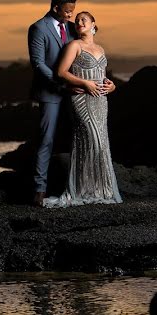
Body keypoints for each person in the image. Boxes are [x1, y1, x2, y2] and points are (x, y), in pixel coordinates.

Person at [43, 11, 122, 207]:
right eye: (77, 20)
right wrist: (84, 83)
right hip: (81, 99)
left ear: (94, 23)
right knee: (90, 139)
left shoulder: (101, 49)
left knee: (102, 144)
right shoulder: (74, 45)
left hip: (101, 100)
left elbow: (103, 76)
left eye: (83, 19)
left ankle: (100, 190)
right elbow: (61, 72)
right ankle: (80, 190)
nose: (79, 22)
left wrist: (112, 86)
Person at [27, 0, 79, 207]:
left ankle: (75, 186)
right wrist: (62, 83)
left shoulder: (72, 28)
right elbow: (38, 63)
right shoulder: (38, 28)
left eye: (72, 11)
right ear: (56, 7)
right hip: (50, 93)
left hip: (75, 92)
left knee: (77, 138)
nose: (70, 16)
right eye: (67, 11)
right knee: (46, 140)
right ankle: (39, 190)